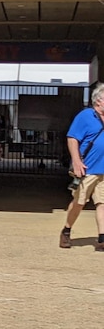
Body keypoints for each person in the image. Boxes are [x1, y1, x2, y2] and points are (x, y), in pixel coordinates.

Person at [61, 84, 104, 251]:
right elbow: (72, 138)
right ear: (99, 100)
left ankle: (102, 237)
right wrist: (76, 160)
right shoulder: (86, 116)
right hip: (88, 169)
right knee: (79, 202)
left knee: (102, 202)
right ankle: (66, 229)